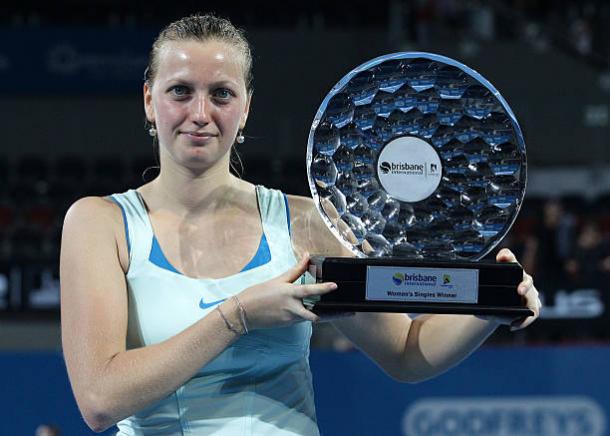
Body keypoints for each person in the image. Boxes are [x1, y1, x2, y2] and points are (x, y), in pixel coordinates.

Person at [60, 13, 541, 435]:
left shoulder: (304, 222)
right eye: (180, 91)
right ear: (150, 100)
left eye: (221, 94)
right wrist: (238, 316)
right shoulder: (99, 223)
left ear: (245, 106)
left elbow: (407, 352)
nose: (200, 113)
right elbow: (100, 400)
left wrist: (492, 307)